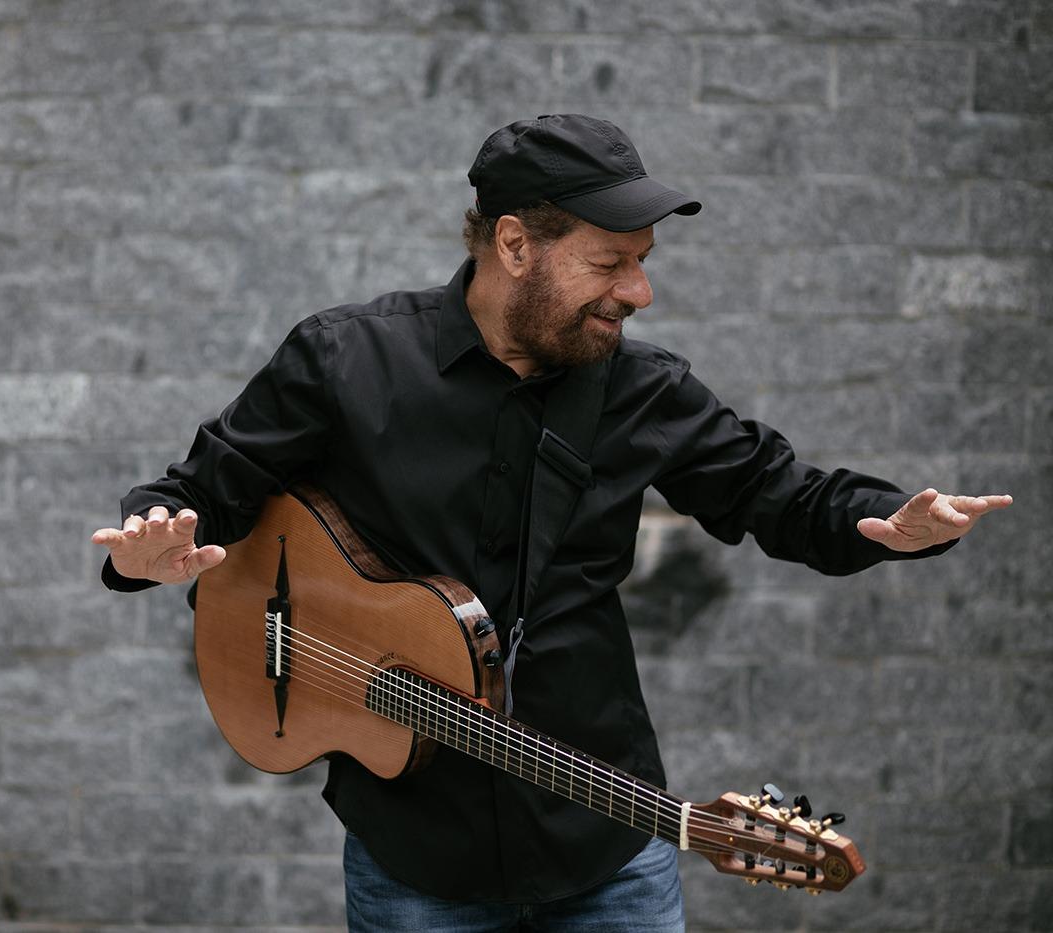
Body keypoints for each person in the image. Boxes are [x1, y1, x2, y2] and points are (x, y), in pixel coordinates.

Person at [90, 114, 1012, 932]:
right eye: (610, 263)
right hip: (415, 860)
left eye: (643, 261)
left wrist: (887, 519)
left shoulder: (645, 392)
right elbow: (202, 489)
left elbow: (784, 494)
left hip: (609, 844)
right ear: (516, 243)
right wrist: (152, 541)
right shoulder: (345, 359)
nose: (638, 292)